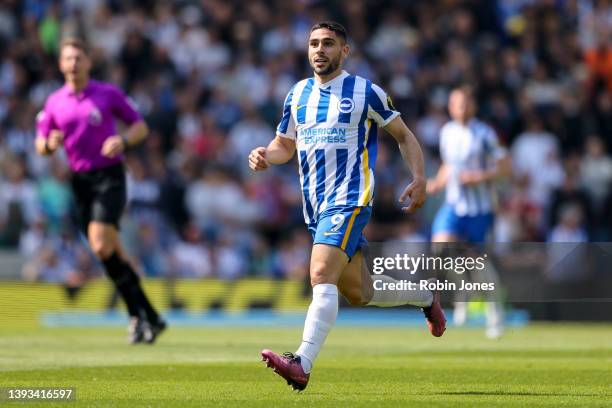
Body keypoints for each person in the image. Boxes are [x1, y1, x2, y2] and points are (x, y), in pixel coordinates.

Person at [249, 22, 445, 391]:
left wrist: (420, 177)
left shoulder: (364, 92)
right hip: (316, 207)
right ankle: (425, 296)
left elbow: (403, 136)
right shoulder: (297, 94)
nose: (319, 50)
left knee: (320, 274)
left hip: (351, 198)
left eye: (327, 44)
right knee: (359, 293)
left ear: (344, 50)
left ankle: (301, 362)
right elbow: (283, 145)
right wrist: (264, 155)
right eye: (313, 44)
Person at [35, 37, 166, 344]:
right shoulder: (54, 102)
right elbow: (40, 141)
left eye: (78, 58)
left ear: (88, 62)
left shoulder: (107, 94)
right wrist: (48, 145)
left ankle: (137, 317)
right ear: (60, 64)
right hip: (79, 182)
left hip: (111, 176)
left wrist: (123, 140)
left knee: (98, 240)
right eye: (68, 58)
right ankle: (147, 315)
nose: (73, 64)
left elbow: (139, 126)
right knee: (109, 250)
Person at [427, 85, 511, 339]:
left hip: (480, 208)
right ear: (451, 107)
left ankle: (495, 311)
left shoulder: (484, 133)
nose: (460, 108)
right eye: (456, 104)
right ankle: (463, 291)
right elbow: (448, 166)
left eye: (465, 103)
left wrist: (480, 177)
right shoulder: (447, 132)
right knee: (440, 246)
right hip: (454, 204)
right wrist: (434, 184)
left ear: (472, 106)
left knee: (476, 260)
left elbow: (505, 167)